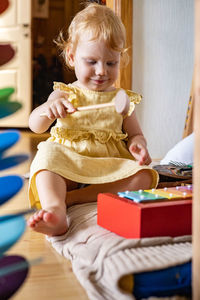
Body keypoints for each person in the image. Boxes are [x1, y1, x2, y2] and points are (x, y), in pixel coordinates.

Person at [27, 3, 159, 236]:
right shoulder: (65, 93)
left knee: (144, 176)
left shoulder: (123, 99)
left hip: (106, 168)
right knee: (46, 159)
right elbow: (35, 125)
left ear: (121, 60)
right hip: (70, 166)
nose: (101, 71)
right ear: (71, 56)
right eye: (92, 62)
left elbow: (135, 135)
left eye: (111, 63)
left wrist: (139, 145)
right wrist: (48, 108)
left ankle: (74, 199)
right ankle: (56, 210)